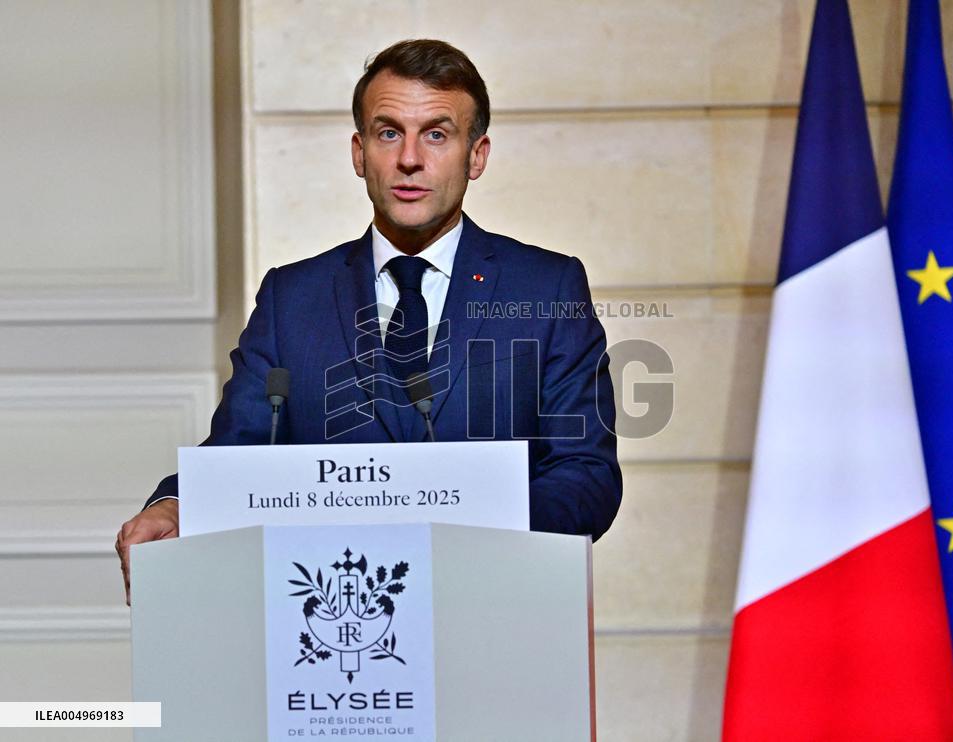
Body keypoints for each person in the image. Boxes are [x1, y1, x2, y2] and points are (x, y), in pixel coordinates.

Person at [115, 39, 622, 602]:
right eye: (388, 133)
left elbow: (587, 473)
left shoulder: (547, 287)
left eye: (436, 133)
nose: (410, 158)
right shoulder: (293, 297)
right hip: (331, 618)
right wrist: (177, 504)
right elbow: (240, 450)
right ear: (359, 154)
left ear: (476, 155)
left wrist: (485, 530)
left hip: (497, 609)